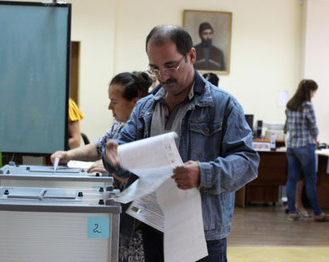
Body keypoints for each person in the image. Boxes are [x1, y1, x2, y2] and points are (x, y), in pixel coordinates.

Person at [103, 25, 259, 261]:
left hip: (202, 235)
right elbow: (123, 155)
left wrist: (203, 174)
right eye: (155, 68)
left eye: (170, 65)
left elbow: (247, 163)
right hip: (153, 226)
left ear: (192, 56)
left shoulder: (223, 106)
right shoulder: (146, 107)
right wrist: (114, 158)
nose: (163, 76)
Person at [51, 71, 152, 262]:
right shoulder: (118, 125)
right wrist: (68, 155)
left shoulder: (148, 129)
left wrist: (112, 168)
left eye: (114, 102)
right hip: (116, 210)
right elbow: (99, 147)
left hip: (139, 217)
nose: (109, 107)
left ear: (135, 103)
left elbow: (147, 178)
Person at [285, 79, 329, 222]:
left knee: (292, 179)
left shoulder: (290, 105)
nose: (313, 95)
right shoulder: (307, 106)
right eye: (314, 92)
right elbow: (313, 126)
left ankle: (292, 211)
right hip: (305, 146)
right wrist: (316, 139)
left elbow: (287, 126)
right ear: (310, 91)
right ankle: (318, 213)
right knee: (311, 180)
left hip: (291, 146)